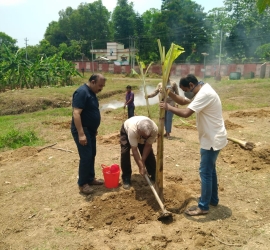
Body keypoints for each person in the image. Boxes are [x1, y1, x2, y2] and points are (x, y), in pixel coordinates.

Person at [159, 74, 227, 216]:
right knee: (210, 171)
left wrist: (168, 107)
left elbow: (185, 113)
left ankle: (203, 207)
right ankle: (213, 200)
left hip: (211, 139)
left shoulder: (204, 94)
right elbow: (184, 101)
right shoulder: (202, 89)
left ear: (191, 85)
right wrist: (169, 92)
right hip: (213, 137)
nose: (186, 93)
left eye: (185, 89)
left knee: (205, 172)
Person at [71, 74, 106, 195]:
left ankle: (90, 179)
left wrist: (94, 128)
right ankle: (82, 184)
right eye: (100, 85)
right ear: (92, 82)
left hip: (90, 130)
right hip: (82, 130)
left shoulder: (91, 93)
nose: (101, 88)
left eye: (103, 86)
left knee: (92, 154)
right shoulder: (82, 92)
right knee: (86, 156)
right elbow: (76, 113)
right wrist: (81, 134)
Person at [120, 116, 158, 189]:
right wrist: (141, 167)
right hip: (126, 129)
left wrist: (142, 161)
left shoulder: (154, 129)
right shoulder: (132, 130)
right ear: (139, 130)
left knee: (149, 153)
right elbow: (134, 150)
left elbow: (148, 146)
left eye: (147, 137)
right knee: (125, 153)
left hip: (143, 132)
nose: (145, 138)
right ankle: (126, 178)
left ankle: (153, 174)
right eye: (144, 136)